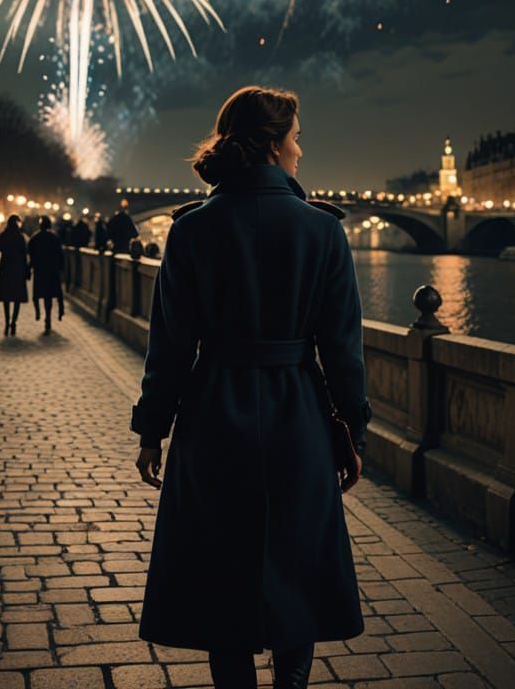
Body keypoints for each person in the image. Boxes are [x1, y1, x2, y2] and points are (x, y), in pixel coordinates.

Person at [129, 85, 371, 689]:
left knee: (222, 575)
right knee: (296, 567)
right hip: (298, 417)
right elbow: (343, 350)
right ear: (270, 145)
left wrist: (152, 429)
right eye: (294, 138)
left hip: (214, 414)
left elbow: (170, 348)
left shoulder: (189, 232)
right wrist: (352, 427)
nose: (299, 150)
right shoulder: (323, 233)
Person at [0, 214, 29, 335]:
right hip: (18, 268)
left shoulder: (3, 235)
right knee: (17, 297)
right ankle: (14, 321)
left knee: (6, 297)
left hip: (6, 268)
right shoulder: (20, 237)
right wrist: (27, 270)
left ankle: (6, 321)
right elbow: (24, 254)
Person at [28, 215, 65, 333]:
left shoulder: (35, 238)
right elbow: (60, 254)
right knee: (51, 295)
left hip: (40, 270)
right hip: (52, 270)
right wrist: (61, 269)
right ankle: (51, 316)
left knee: (39, 294)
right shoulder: (54, 237)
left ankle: (38, 312)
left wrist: (29, 268)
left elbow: (30, 254)